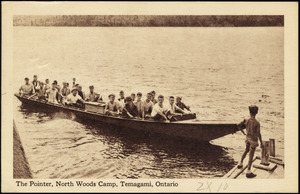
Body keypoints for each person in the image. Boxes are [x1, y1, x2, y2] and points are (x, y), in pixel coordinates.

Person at [237, 105, 263, 178]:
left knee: (246, 150)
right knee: (251, 155)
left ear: (249, 112)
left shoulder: (246, 120)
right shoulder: (257, 123)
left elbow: (238, 125)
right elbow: (258, 134)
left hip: (247, 139)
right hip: (253, 141)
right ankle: (248, 171)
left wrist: (243, 132)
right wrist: (261, 143)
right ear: (257, 112)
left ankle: (240, 163)